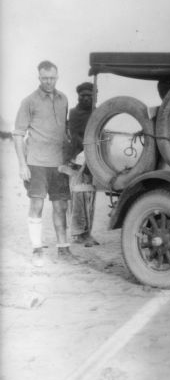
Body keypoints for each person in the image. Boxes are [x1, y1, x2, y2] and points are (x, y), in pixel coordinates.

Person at [13, 60, 77, 266]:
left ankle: (63, 249)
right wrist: (23, 165)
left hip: (58, 163)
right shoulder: (29, 101)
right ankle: (37, 249)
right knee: (37, 205)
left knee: (60, 206)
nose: (48, 82)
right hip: (36, 163)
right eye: (44, 78)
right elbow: (17, 135)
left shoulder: (63, 99)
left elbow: (65, 131)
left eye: (52, 78)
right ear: (39, 77)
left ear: (57, 77)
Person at [66, 82, 99, 247]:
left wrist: (93, 154)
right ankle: (78, 233)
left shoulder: (97, 113)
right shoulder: (73, 113)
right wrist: (86, 150)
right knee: (79, 195)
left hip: (93, 157)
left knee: (90, 196)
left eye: (89, 96)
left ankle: (87, 232)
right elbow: (75, 135)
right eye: (83, 96)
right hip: (78, 157)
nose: (86, 98)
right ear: (78, 96)